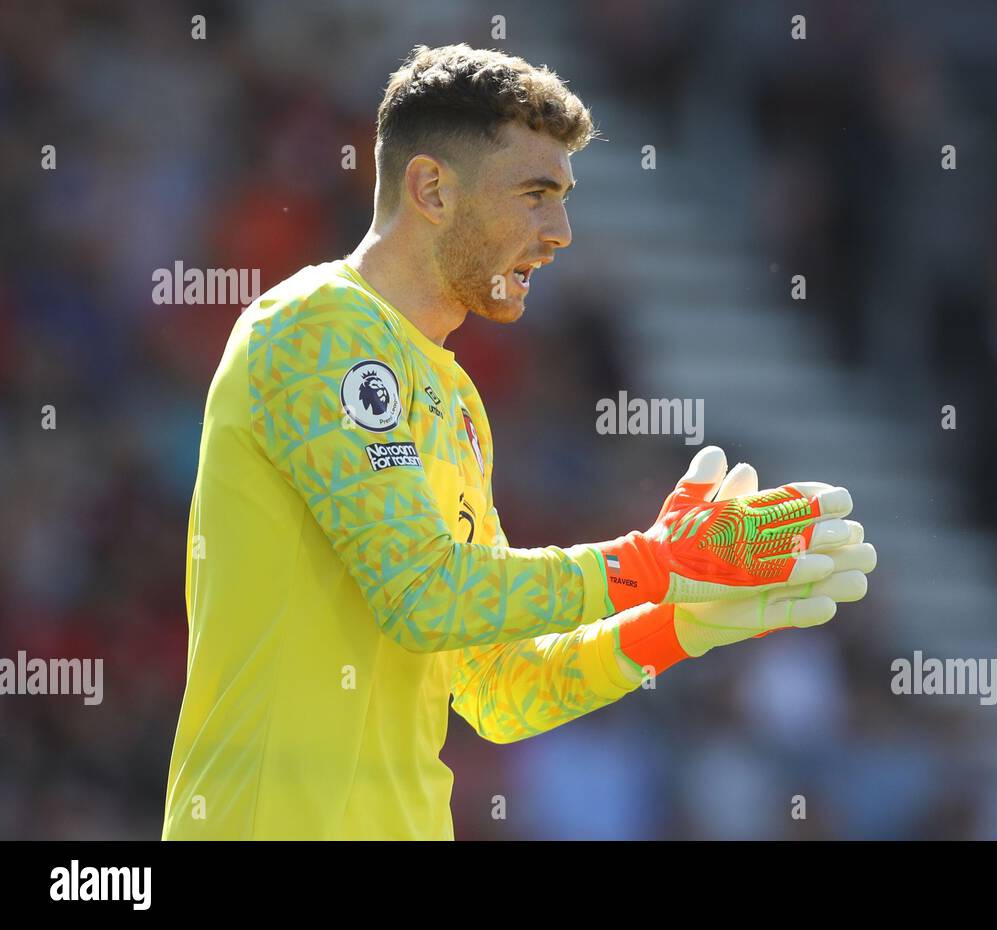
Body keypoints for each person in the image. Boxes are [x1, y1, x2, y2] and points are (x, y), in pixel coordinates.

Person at [162, 43, 875, 840]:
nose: (561, 231)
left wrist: (679, 619)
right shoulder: (314, 329)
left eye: (564, 198)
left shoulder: (457, 399)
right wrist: (653, 563)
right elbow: (421, 596)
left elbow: (499, 689)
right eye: (535, 194)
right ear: (431, 187)